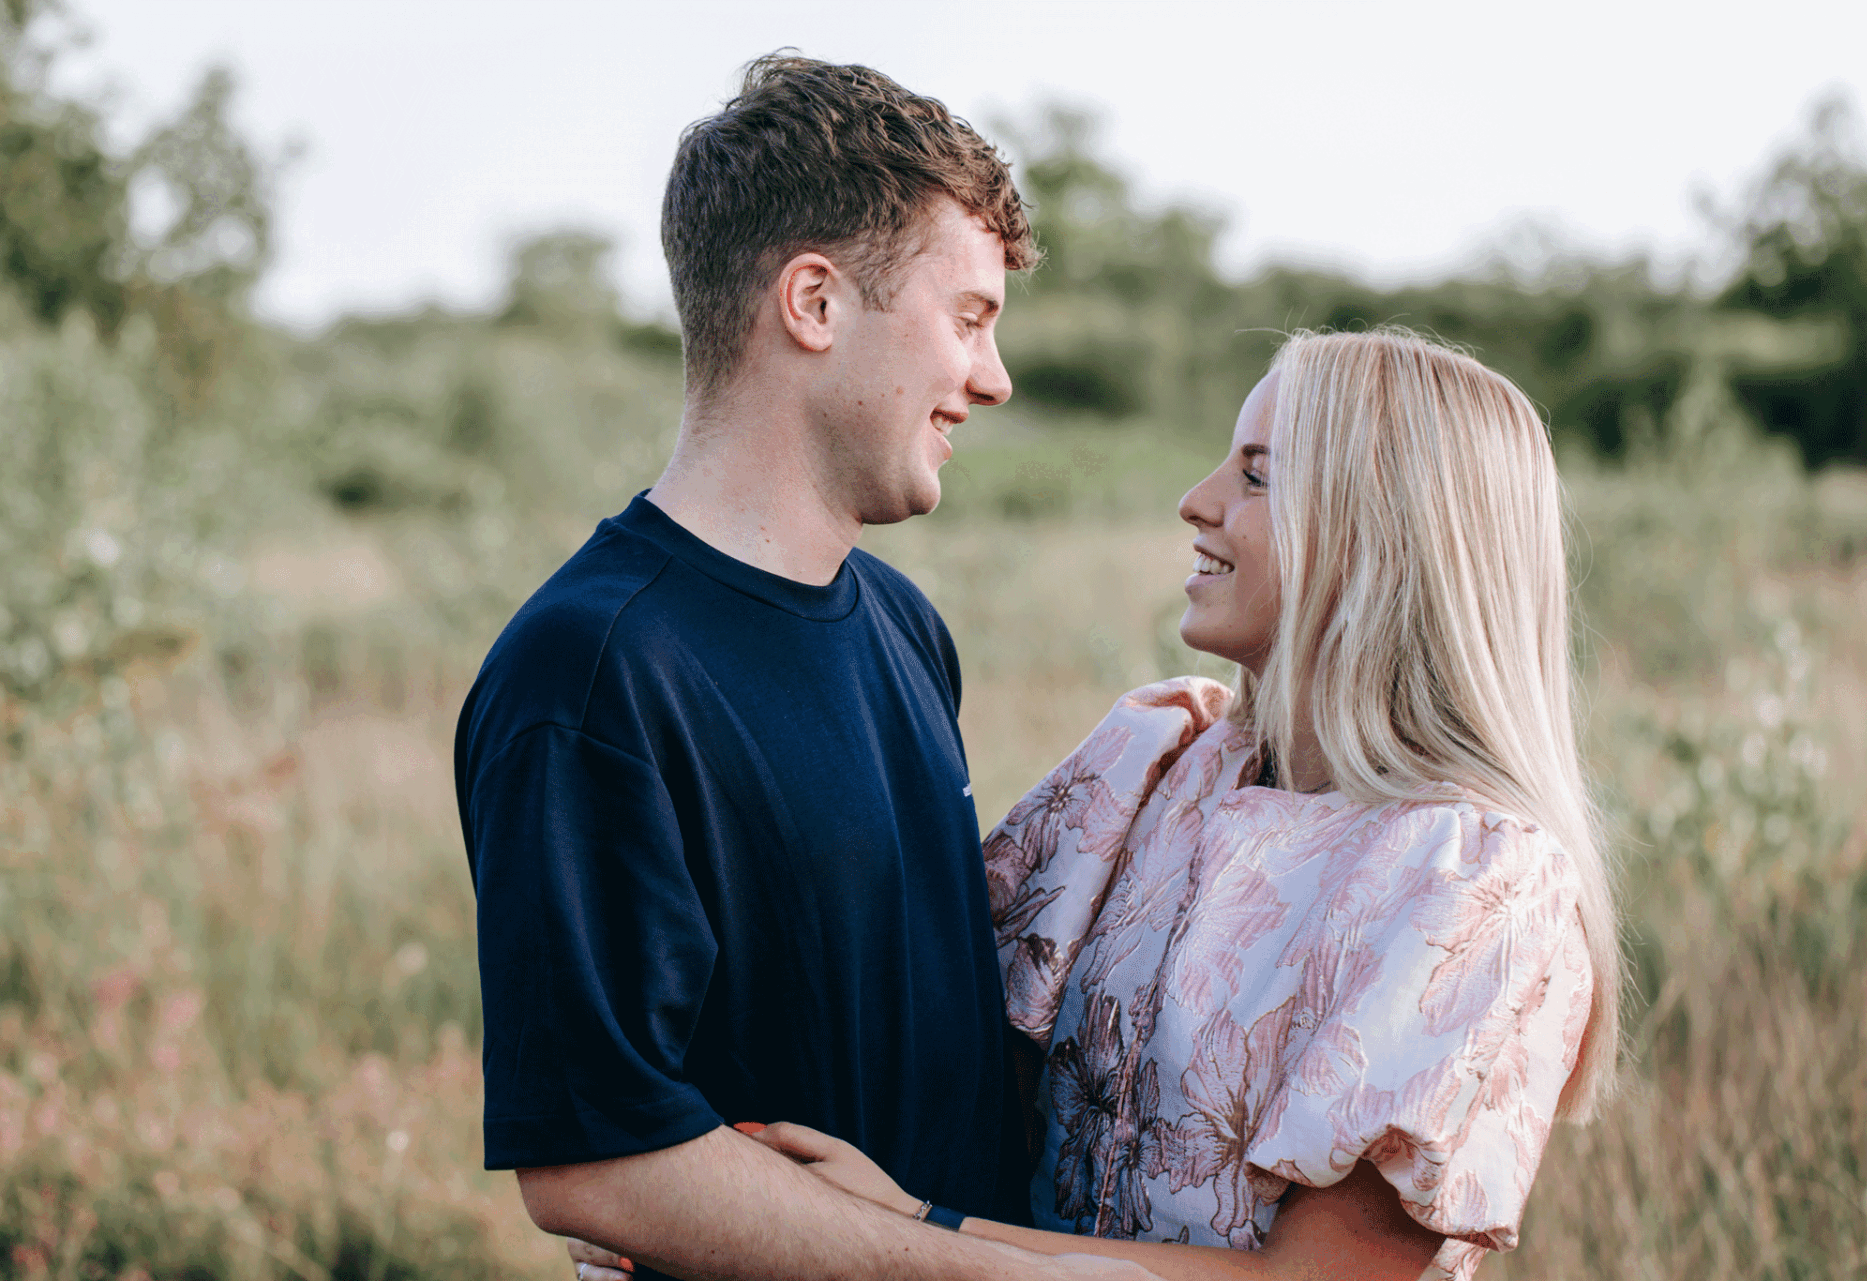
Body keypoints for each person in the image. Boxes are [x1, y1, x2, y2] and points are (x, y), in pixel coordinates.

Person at [696, 329, 1623, 1280]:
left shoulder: (1479, 884)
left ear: (1383, 533)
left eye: (1256, 476)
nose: (1197, 499)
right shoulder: (1152, 760)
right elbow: (936, 1048)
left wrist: (910, 1232)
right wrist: (705, 1188)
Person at [456, 54, 1148, 1281]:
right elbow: (593, 1159)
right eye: (968, 318)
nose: (993, 379)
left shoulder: (905, 625)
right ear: (815, 303)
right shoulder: (593, 673)